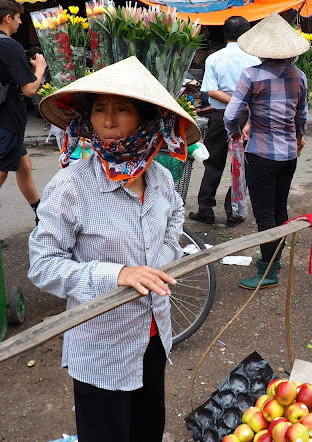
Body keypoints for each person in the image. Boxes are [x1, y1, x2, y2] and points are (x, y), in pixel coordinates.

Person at [29, 57, 200, 442]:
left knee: (147, 431)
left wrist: (166, 254)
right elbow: (43, 265)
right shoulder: (72, 185)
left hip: (154, 337)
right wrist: (118, 274)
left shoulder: (159, 178)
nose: (107, 121)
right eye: (99, 109)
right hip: (101, 347)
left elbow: (175, 216)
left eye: (122, 109)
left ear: (145, 118)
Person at [224, 12, 308, 290]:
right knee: (279, 208)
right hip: (289, 157)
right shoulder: (300, 77)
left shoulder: (252, 75)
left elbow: (230, 114)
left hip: (261, 155)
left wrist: (236, 132)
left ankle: (268, 270)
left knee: (264, 214)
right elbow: (302, 117)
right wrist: (298, 137)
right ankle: (276, 260)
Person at [189, 16, 259, 227]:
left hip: (221, 117)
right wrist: (243, 103)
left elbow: (211, 91)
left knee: (213, 163)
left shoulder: (214, 58)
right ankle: (233, 212)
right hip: (248, 116)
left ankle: (206, 209)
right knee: (242, 165)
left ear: (224, 33)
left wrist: (234, 102)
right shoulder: (255, 60)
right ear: (246, 34)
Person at [0, 0, 47, 245]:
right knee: (1, 172)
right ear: (8, 18)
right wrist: (40, 68)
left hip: (8, 122)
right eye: (18, 18)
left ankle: (41, 215)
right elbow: (29, 89)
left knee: (23, 166)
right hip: (6, 120)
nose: (20, 24)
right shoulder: (8, 45)